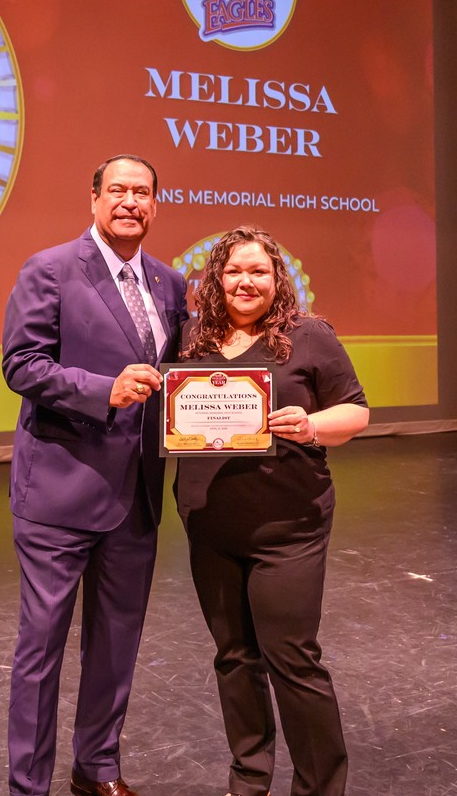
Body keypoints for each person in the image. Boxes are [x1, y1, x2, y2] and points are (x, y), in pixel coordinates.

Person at [1, 154, 188, 796]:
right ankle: (29, 785)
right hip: (59, 492)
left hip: (136, 495)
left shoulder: (171, 284)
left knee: (116, 646)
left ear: (155, 205)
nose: (129, 201)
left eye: (142, 192)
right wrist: (104, 389)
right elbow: (22, 365)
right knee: (41, 651)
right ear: (94, 199)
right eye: (117, 190)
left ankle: (97, 770)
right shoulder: (50, 270)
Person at [174, 225, 370, 796]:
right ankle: (249, 779)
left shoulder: (308, 336)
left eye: (258, 271)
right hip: (210, 524)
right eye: (234, 271)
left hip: (290, 526)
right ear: (216, 279)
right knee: (234, 658)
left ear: (276, 279)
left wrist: (311, 426)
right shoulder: (192, 339)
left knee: (292, 658)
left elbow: (355, 413)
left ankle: (319, 786)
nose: (245, 281)